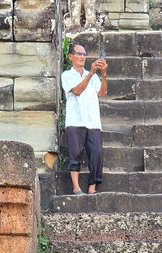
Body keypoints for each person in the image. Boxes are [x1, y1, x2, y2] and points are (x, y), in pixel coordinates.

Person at [61, 42, 108, 195]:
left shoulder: (93, 76)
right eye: (79, 53)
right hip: (75, 120)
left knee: (97, 154)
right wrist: (91, 73)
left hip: (93, 121)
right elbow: (77, 90)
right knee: (74, 153)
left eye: (84, 54)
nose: (82, 56)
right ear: (71, 57)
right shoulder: (67, 75)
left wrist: (103, 74)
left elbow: (102, 93)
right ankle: (76, 187)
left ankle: (92, 187)